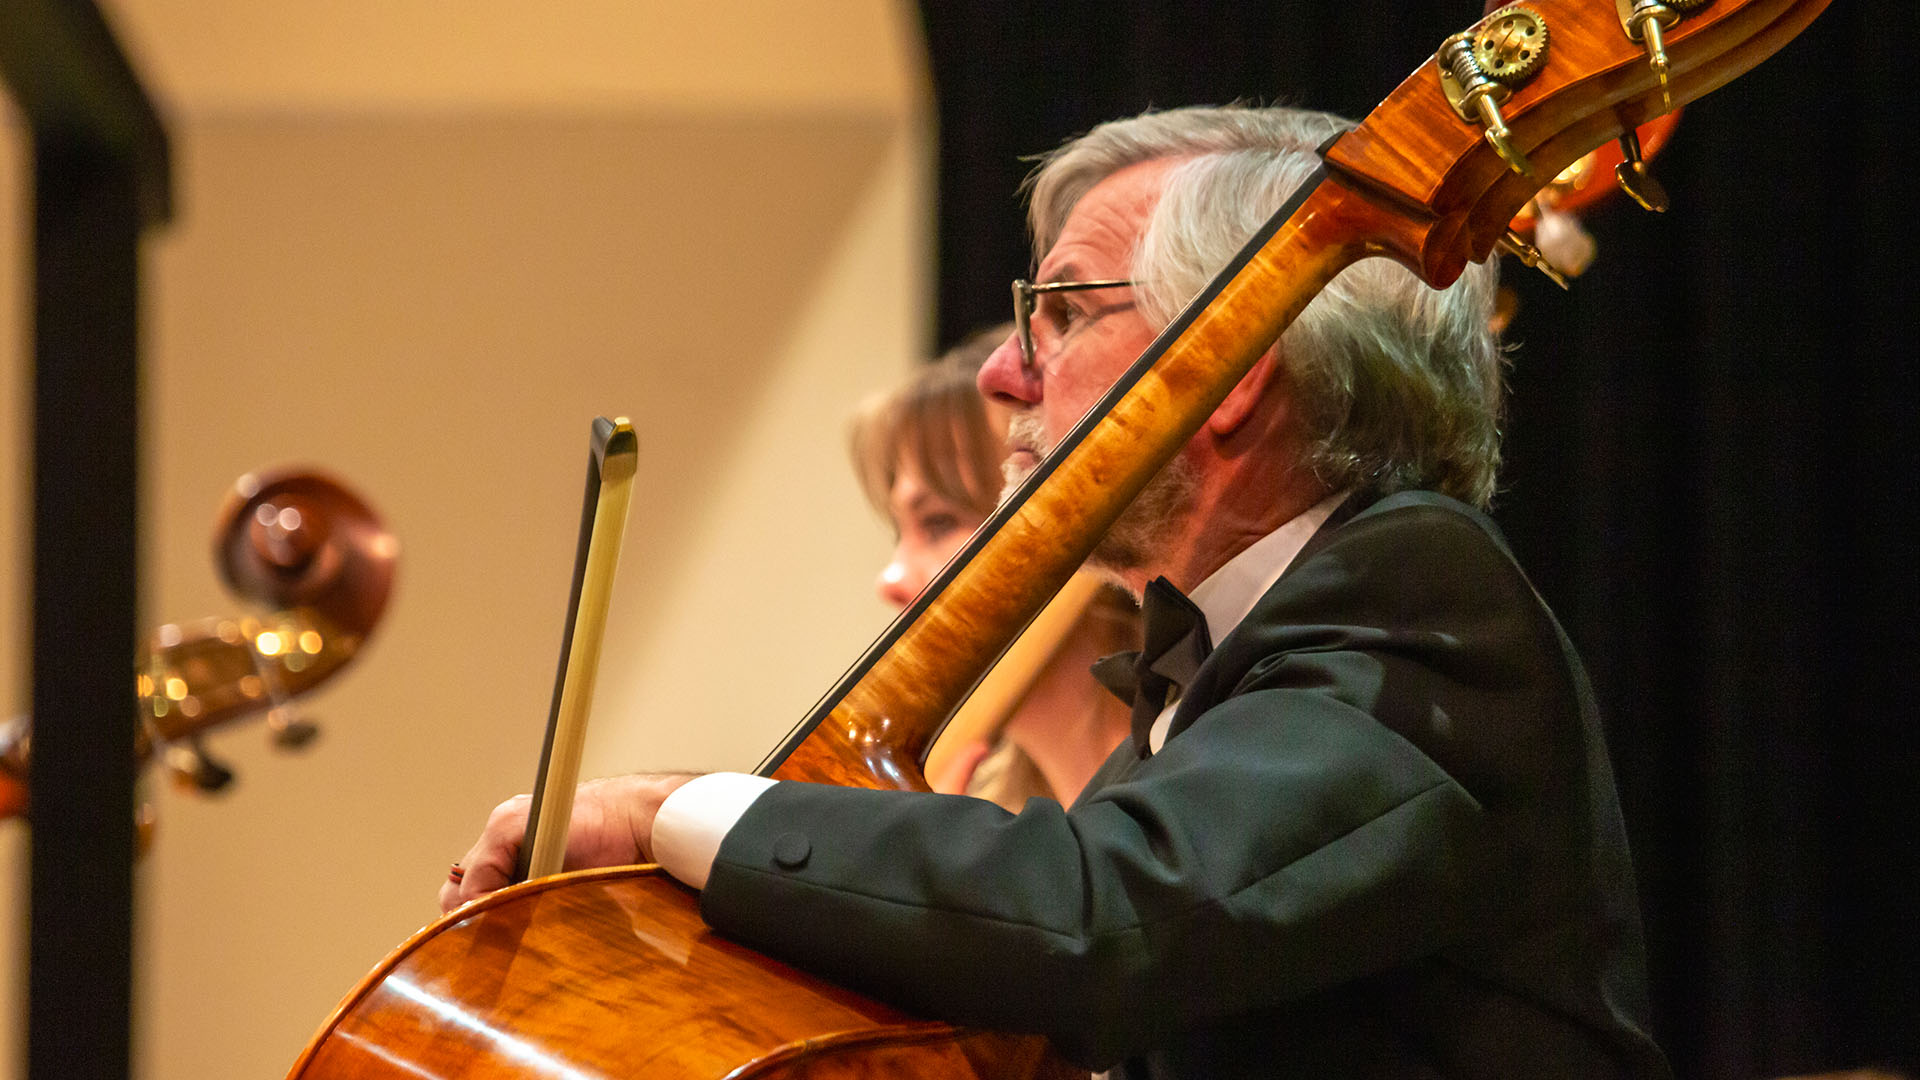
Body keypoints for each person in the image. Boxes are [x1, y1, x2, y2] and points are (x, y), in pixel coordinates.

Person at [443, 104, 1670, 1079]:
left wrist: (672, 811)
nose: (1003, 376)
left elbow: (1102, 915)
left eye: (1063, 311)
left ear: (1227, 370)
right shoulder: (1219, 659)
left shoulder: (1418, 602)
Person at [850, 327, 1135, 809]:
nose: (891, 582)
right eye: (901, 531)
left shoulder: (1195, 807)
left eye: (939, 522)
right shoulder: (988, 816)